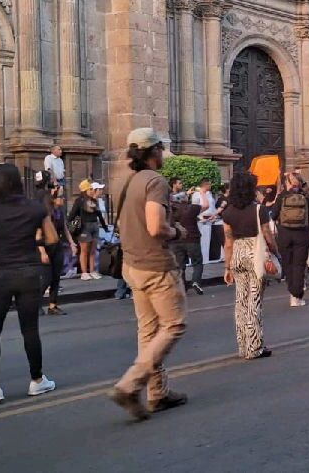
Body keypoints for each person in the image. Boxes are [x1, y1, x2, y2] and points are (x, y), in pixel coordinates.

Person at [108, 128, 188, 421]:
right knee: (174, 325)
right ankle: (130, 384)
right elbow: (156, 227)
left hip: (132, 265)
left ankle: (157, 393)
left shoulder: (123, 180)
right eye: (160, 149)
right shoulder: (155, 181)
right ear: (153, 151)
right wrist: (177, 231)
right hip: (155, 265)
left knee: (148, 330)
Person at [0, 164, 58, 405]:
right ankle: (37, 380)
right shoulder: (35, 208)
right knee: (30, 329)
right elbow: (52, 238)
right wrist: (30, 238)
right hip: (28, 271)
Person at [222, 172, 278, 360]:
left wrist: (227, 267)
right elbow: (267, 235)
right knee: (254, 301)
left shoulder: (227, 212)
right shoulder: (258, 210)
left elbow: (228, 242)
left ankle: (242, 345)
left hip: (237, 254)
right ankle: (255, 346)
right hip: (254, 253)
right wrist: (275, 252)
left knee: (241, 302)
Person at [271, 172, 309, 307]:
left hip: (284, 234)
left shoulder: (282, 197)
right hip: (303, 234)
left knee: (288, 264)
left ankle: (292, 290)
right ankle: (296, 296)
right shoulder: (307, 197)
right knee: (299, 264)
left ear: (287, 183)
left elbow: (274, 215)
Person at [43, 187, 76, 315]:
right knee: (46, 277)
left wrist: (72, 243)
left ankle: (53, 305)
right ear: (53, 199)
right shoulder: (46, 213)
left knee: (56, 277)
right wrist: (41, 251)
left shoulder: (60, 212)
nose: (62, 199)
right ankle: (36, 303)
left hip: (58, 245)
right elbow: (39, 232)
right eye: (60, 197)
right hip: (47, 246)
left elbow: (65, 228)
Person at [68, 180, 108, 280]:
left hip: (94, 225)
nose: (92, 191)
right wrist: (74, 225)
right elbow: (72, 215)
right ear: (85, 190)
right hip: (84, 227)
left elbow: (98, 214)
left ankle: (92, 270)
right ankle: (84, 272)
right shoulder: (79, 201)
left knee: (93, 250)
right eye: (90, 189)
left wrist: (105, 227)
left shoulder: (94, 200)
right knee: (84, 250)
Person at [170, 192, 205, 295]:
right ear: (185, 199)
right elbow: (205, 206)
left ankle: (182, 286)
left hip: (176, 241)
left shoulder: (171, 211)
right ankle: (196, 281)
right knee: (197, 262)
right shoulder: (192, 208)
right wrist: (202, 193)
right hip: (192, 239)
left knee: (180, 265)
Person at [191, 178, 217, 264]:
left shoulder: (209, 194)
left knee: (206, 240)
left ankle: (205, 259)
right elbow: (194, 207)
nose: (210, 186)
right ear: (205, 185)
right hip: (200, 219)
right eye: (209, 184)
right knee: (198, 240)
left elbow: (212, 206)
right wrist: (198, 217)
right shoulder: (196, 194)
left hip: (209, 219)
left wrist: (213, 215)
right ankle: (196, 259)